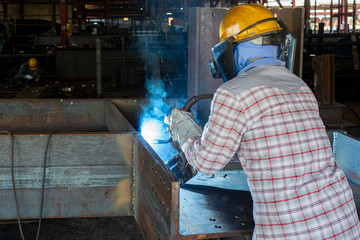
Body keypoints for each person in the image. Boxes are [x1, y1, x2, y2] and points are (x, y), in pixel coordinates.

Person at [167, 4, 360, 239]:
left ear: (229, 50)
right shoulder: (300, 86)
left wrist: (183, 130)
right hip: (343, 220)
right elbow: (269, 144)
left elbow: (207, 162)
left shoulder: (232, 93)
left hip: (291, 230)